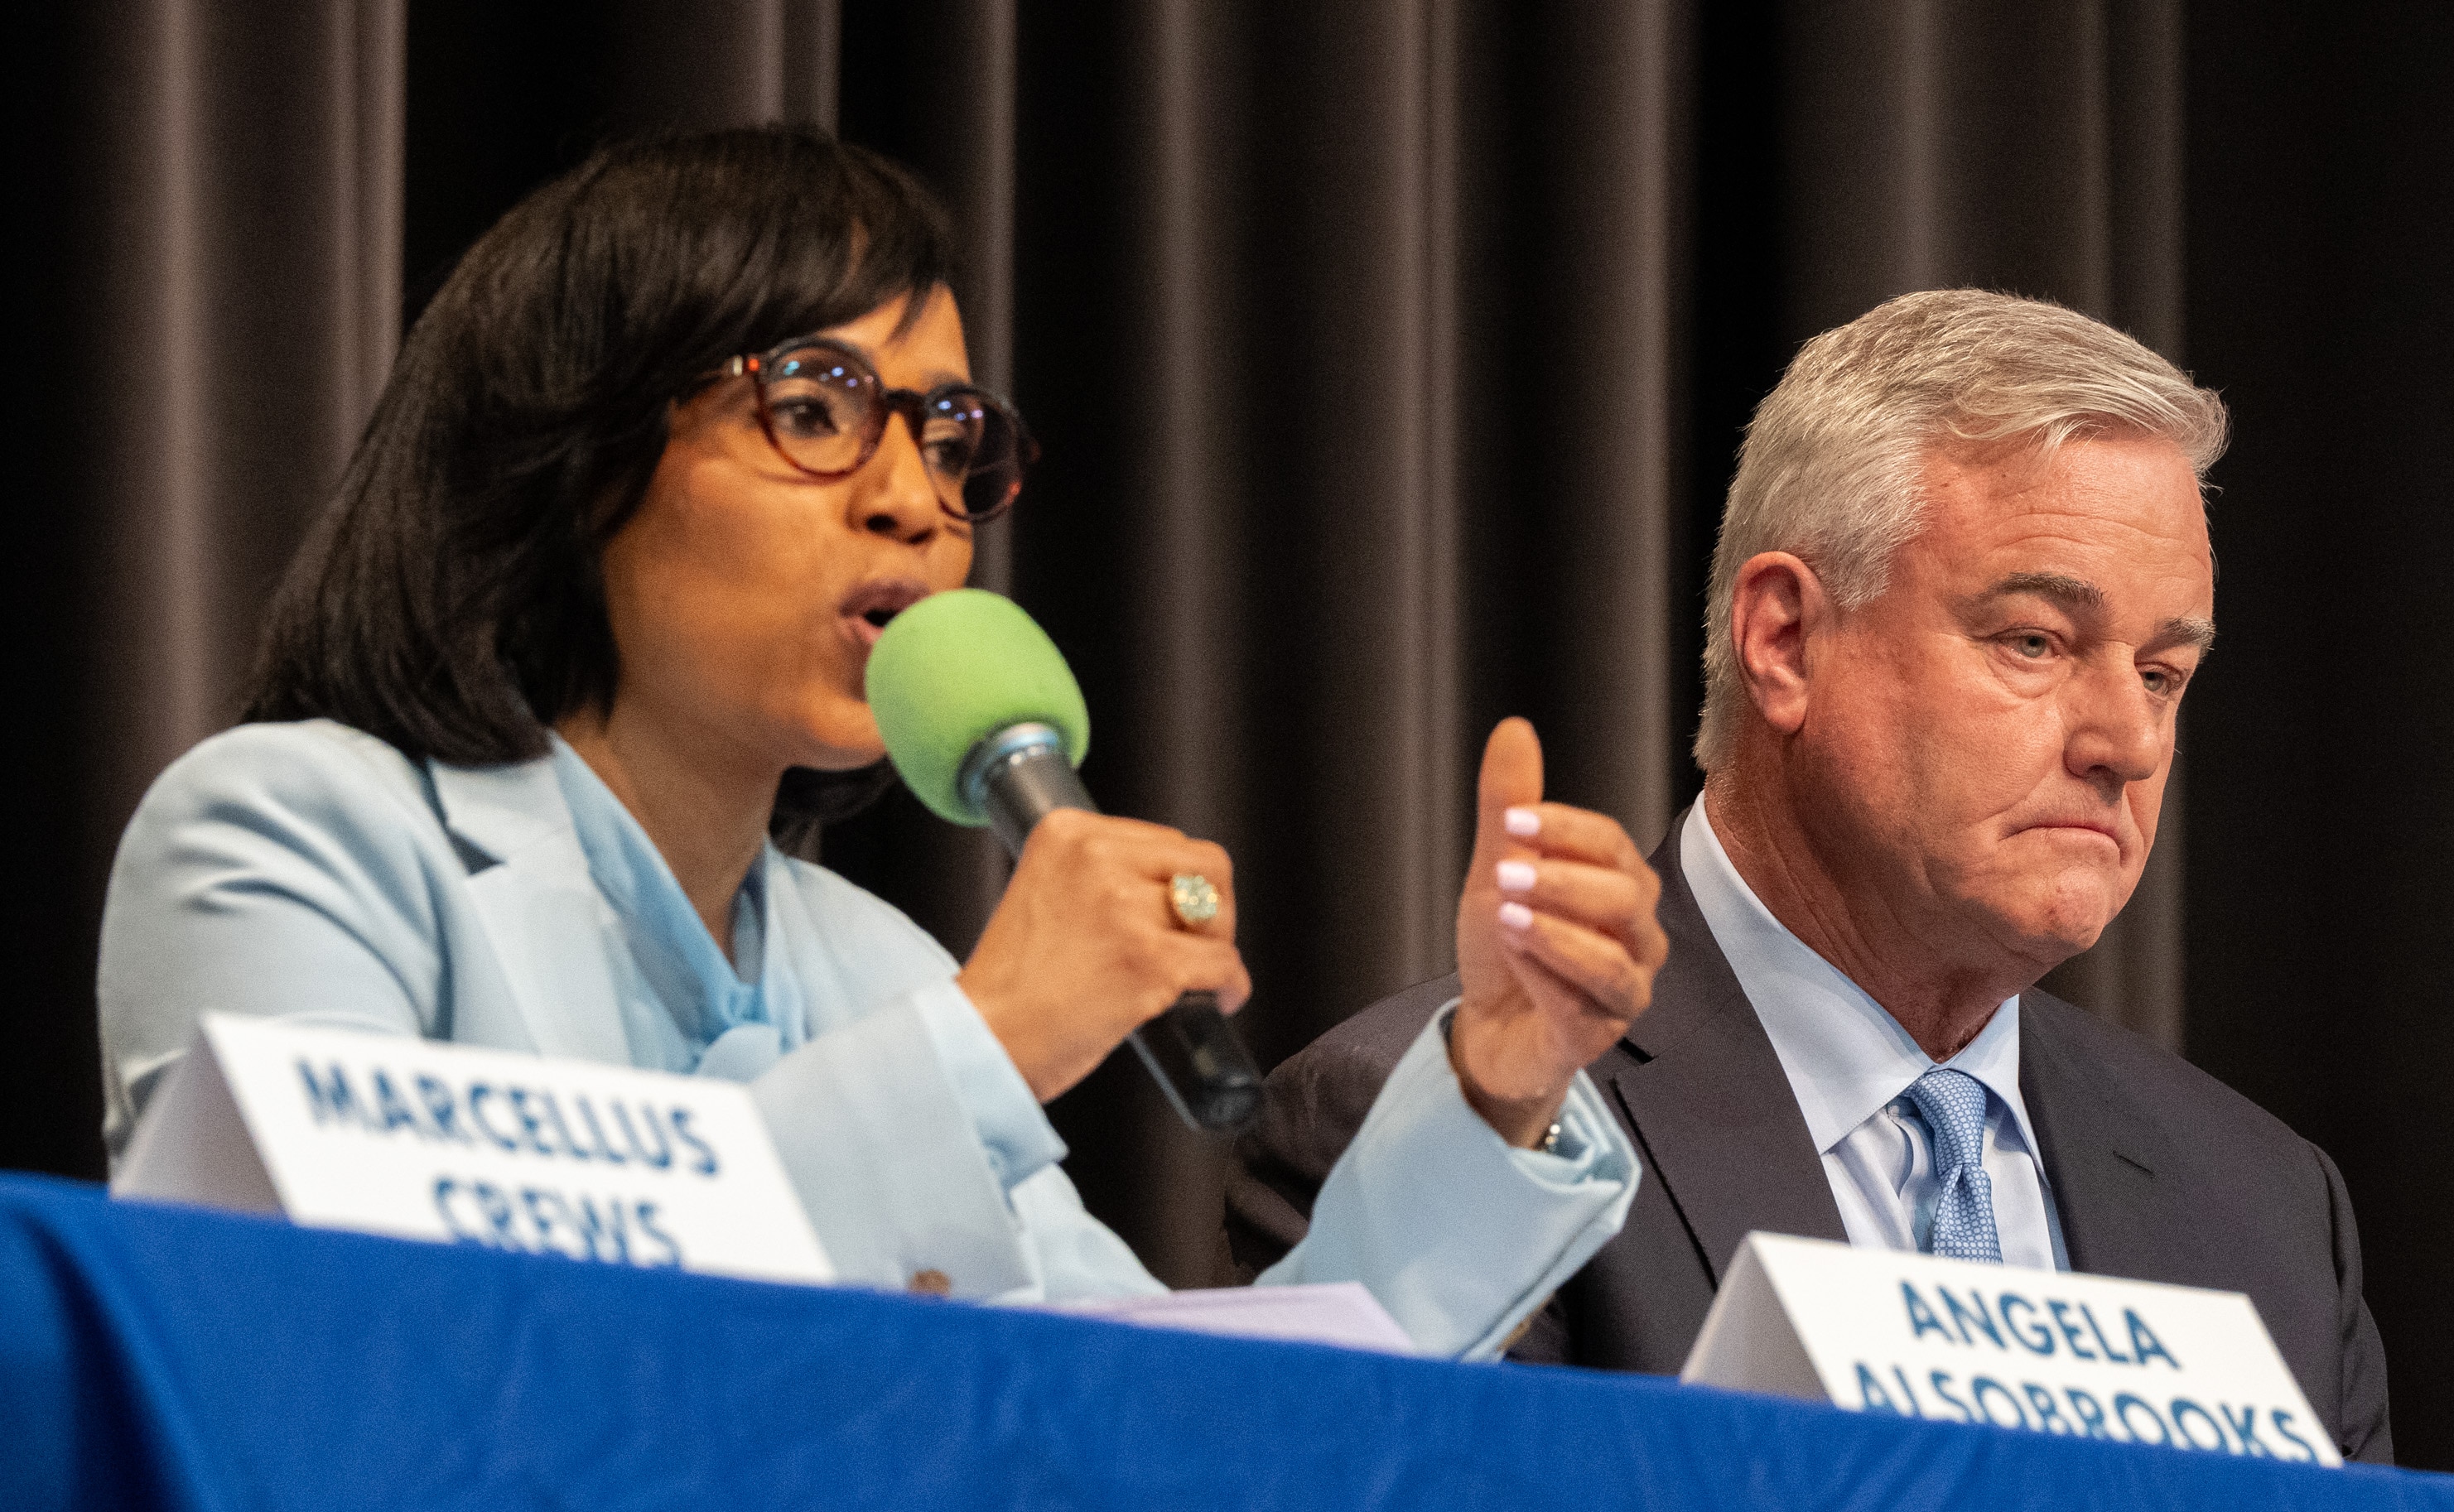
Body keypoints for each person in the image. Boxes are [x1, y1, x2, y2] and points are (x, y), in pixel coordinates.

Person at [99, 128, 1666, 1358]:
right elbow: (346, 1371)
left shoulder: (881, 970)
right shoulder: (290, 837)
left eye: (949, 435)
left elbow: (1187, 1423)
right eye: (817, 406)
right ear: (576, 454)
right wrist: (982, 1053)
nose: (916, 500)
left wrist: (1493, 1087)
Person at [1230, 288, 2392, 1457]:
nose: (2127, 744)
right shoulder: (1448, 1132)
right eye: (2034, 641)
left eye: (2158, 673)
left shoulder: (2270, 1213)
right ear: (1785, 640)